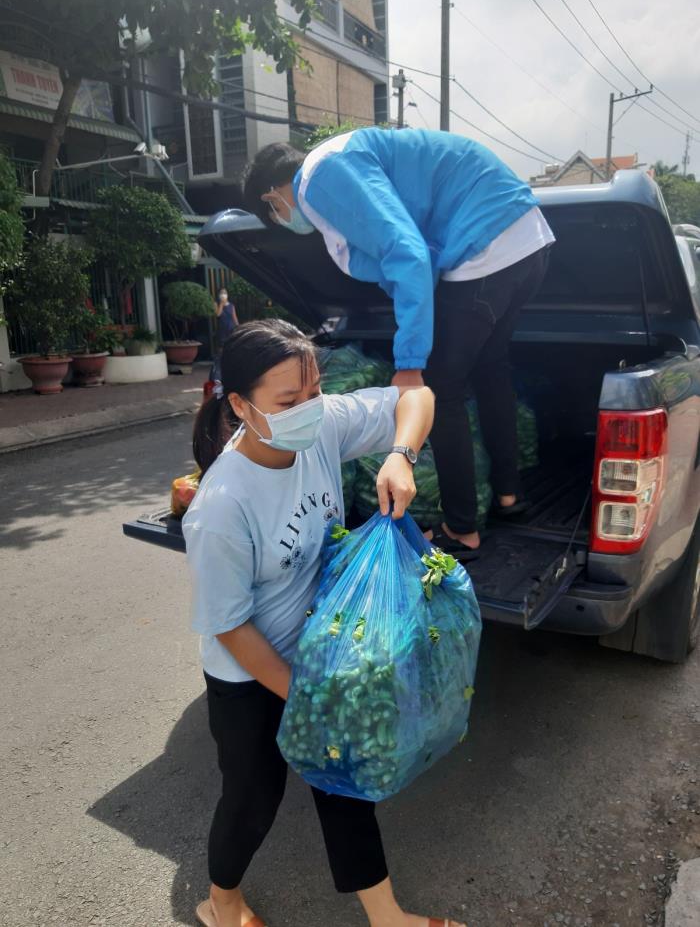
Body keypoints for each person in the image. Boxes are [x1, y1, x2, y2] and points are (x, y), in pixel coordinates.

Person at [183, 319, 463, 927]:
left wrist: (400, 455)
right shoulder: (220, 508)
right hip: (248, 670)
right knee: (253, 800)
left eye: (313, 395)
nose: (309, 411)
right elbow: (230, 628)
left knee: (343, 779)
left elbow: (417, 395)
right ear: (240, 406)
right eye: (289, 403)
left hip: (319, 645)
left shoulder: (321, 425)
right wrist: (312, 699)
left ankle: (386, 916)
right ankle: (220, 903)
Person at [243, 127, 555, 560]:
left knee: (438, 389)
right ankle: (508, 496)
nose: (281, 219)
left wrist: (410, 362)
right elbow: (412, 257)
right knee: (490, 367)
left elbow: (409, 254)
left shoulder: (320, 176)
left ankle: (462, 529)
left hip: (485, 239)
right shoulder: (342, 159)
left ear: (271, 197)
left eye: (273, 214)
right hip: (527, 237)